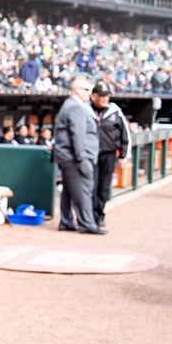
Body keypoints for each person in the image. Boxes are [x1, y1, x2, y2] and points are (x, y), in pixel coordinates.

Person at [54, 78, 105, 234]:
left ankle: (66, 221)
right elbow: (78, 136)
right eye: (86, 90)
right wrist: (82, 158)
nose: (90, 94)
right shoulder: (75, 106)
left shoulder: (72, 105)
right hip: (75, 157)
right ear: (77, 90)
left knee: (69, 191)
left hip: (69, 156)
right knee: (84, 190)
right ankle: (87, 223)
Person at [89, 82, 131, 228]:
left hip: (109, 154)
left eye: (106, 96)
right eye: (101, 96)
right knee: (91, 186)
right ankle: (90, 216)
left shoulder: (114, 111)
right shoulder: (86, 109)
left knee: (103, 186)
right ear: (94, 96)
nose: (104, 99)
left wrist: (123, 156)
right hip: (90, 154)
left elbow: (126, 135)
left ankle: (99, 215)